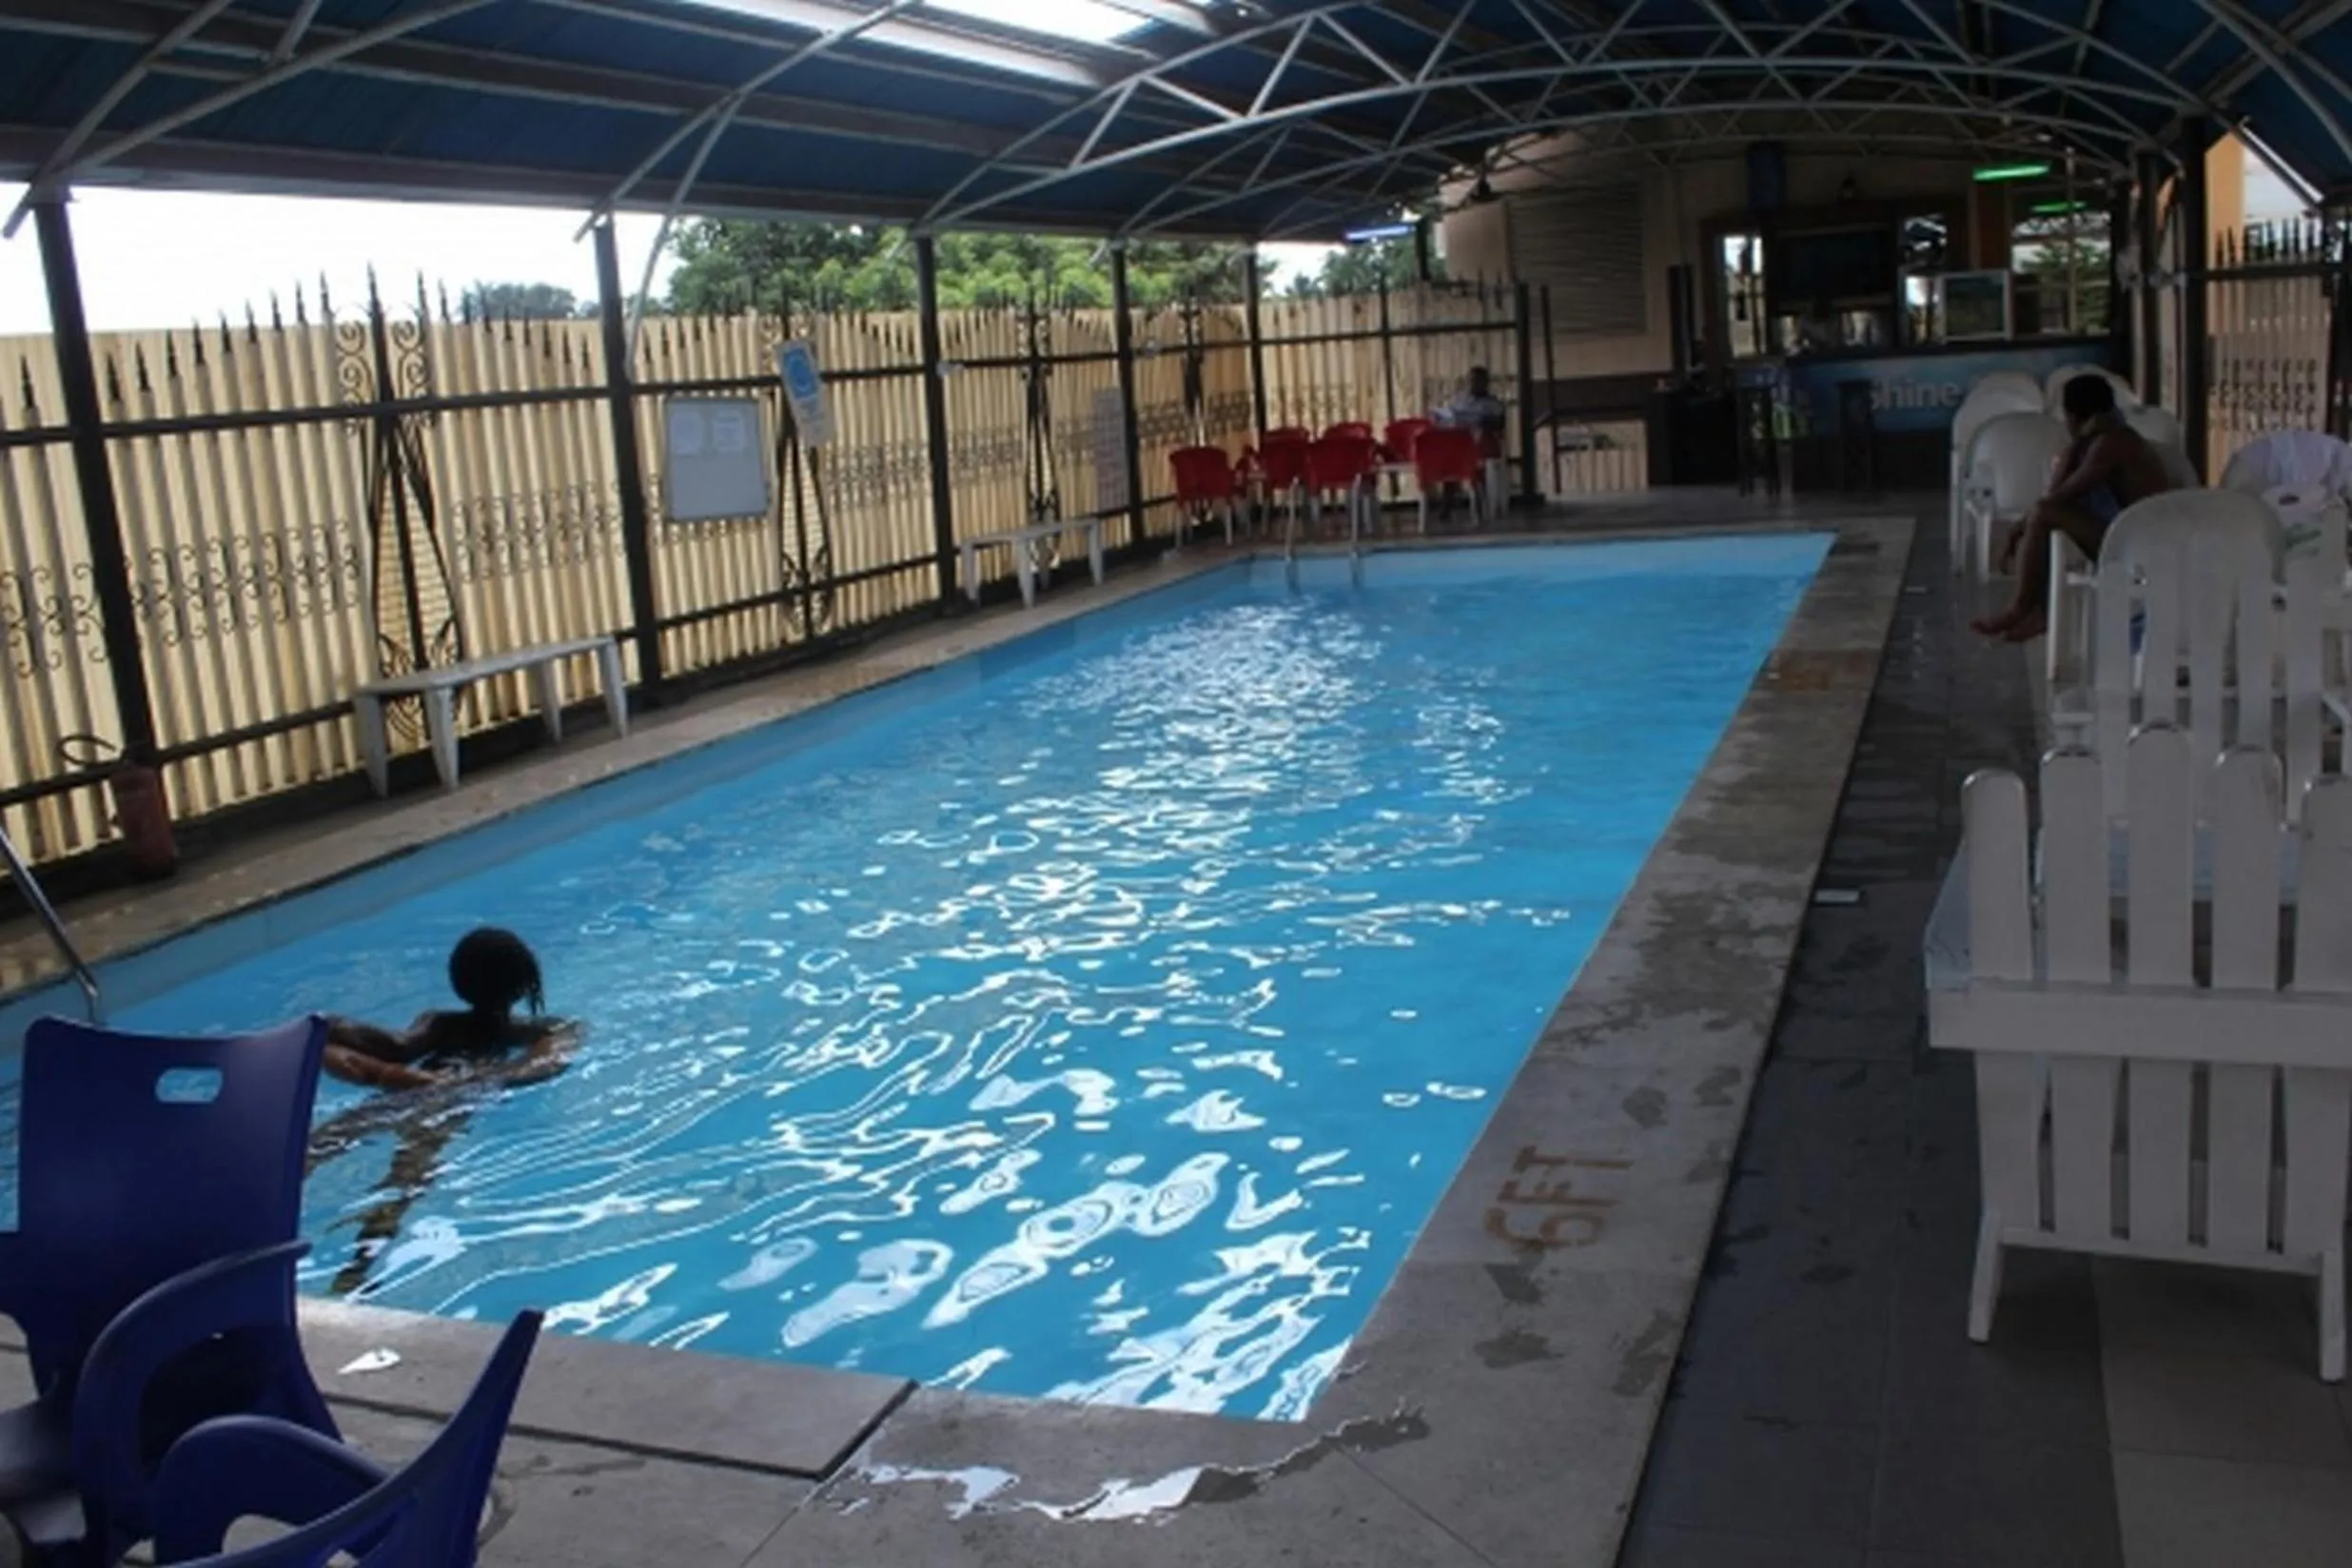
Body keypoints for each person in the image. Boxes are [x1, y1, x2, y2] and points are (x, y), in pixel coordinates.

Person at [1972, 374, 2177, 643]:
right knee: (2044, 514)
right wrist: (2075, 447)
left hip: (2145, 546)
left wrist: (2016, 532)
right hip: (2129, 535)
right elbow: (2056, 493)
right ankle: (2036, 611)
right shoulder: (2098, 442)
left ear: (2072, 416)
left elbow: (2062, 497)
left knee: (2045, 514)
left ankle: (2022, 608)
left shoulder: (2112, 444)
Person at [324, 927, 576, 1091]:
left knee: (334, 1135)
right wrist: (467, 1082)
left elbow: (397, 1046)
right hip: (455, 1095)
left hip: (414, 1088)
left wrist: (328, 1026)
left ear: (457, 982)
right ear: (523, 987)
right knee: (414, 1162)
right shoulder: (539, 1031)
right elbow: (541, 1066)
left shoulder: (439, 1023)